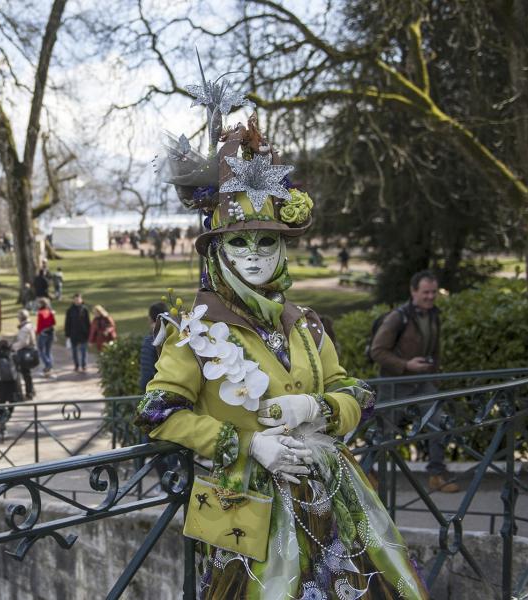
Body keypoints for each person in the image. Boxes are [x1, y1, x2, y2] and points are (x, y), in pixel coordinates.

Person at [137, 110, 424, 597]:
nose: (253, 253)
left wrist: (317, 407)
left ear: (283, 250)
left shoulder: (306, 323)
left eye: (266, 241)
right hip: (249, 513)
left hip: (331, 502)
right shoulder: (195, 333)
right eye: (238, 241)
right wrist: (248, 443)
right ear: (218, 252)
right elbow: (156, 410)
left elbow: (356, 392)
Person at [370, 270, 459, 493]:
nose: (430, 296)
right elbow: (377, 351)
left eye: (433, 292)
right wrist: (406, 365)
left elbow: (435, 350)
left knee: (440, 422)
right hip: (394, 384)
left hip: (423, 382)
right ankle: (367, 472)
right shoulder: (397, 317)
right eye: (425, 292)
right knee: (384, 432)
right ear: (413, 291)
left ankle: (436, 474)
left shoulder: (433, 315)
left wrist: (434, 376)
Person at [138, 301, 169, 390]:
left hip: (158, 389)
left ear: (151, 319)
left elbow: (147, 372)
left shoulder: (150, 341)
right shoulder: (175, 337)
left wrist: (143, 386)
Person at [12, 309, 37, 400]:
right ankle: (32, 391)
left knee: (26, 374)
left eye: (18, 316)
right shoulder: (29, 325)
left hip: (24, 353)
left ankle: (29, 393)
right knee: (27, 374)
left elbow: (24, 342)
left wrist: (13, 347)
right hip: (29, 352)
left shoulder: (25, 328)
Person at [64, 293, 91, 373]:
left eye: (78, 299)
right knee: (74, 351)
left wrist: (89, 332)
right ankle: (76, 365)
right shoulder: (70, 310)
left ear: (81, 300)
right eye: (75, 299)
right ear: (73, 300)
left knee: (83, 351)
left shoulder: (85, 309)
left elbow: (88, 322)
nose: (77, 301)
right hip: (73, 333)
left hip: (83, 333)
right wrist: (67, 334)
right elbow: (67, 323)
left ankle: (84, 365)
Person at [35, 298, 56, 377]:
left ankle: (48, 364)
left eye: (39, 303)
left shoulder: (40, 313)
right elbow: (54, 322)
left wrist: (37, 333)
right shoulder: (50, 312)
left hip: (43, 334)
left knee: (41, 351)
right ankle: (49, 369)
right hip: (50, 333)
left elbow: (39, 325)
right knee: (48, 351)